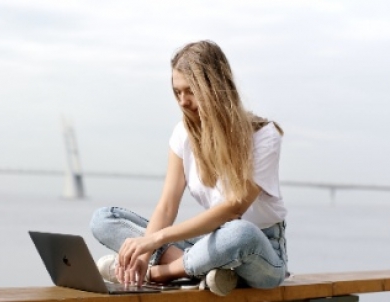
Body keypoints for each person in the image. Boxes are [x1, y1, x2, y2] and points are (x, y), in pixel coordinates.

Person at [89, 40, 288, 296]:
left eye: (190, 91)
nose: (183, 101)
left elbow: (234, 208)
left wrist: (154, 245)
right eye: (177, 92)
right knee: (104, 219)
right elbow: (167, 206)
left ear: (214, 88)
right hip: (208, 243)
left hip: (260, 252)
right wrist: (144, 250)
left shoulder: (264, 136)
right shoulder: (183, 134)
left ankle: (162, 273)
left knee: (240, 233)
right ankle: (208, 270)